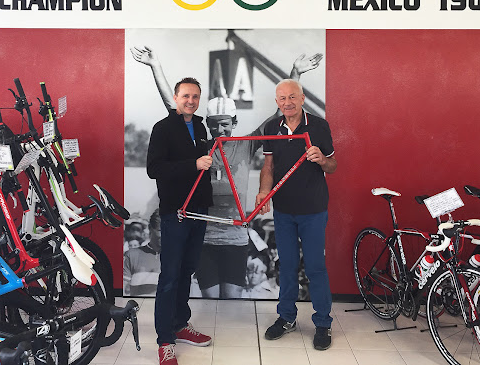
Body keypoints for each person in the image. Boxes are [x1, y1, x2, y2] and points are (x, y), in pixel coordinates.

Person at [131, 46, 323, 299]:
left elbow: (278, 117)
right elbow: (174, 109)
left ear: (234, 123)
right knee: (211, 300)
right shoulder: (200, 143)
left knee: (232, 300)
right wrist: (156, 66)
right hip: (205, 238)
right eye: (213, 125)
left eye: (224, 124)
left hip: (236, 239)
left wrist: (296, 72)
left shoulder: (245, 144)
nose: (219, 130)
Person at [255, 79, 337, 350]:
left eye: (292, 97)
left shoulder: (319, 126)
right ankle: (287, 318)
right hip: (283, 210)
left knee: (315, 267)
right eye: (282, 98)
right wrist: (263, 192)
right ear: (277, 102)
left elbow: (333, 165)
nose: (287, 102)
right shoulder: (271, 128)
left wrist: (322, 159)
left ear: (302, 99)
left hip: (313, 210)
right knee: (287, 266)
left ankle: (323, 323)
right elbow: (268, 166)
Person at [146, 77, 214, 365]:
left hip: (199, 211)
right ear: (175, 98)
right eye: (186, 96)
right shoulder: (162, 128)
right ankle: (165, 340)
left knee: (187, 270)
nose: (191, 101)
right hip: (175, 212)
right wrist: (194, 164)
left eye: (195, 96)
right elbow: (154, 169)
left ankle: (180, 324)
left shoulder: (200, 127)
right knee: (170, 275)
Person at [123, 210, 161, 296]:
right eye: (160, 230)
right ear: (150, 228)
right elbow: (124, 292)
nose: (166, 235)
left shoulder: (177, 258)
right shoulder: (131, 255)